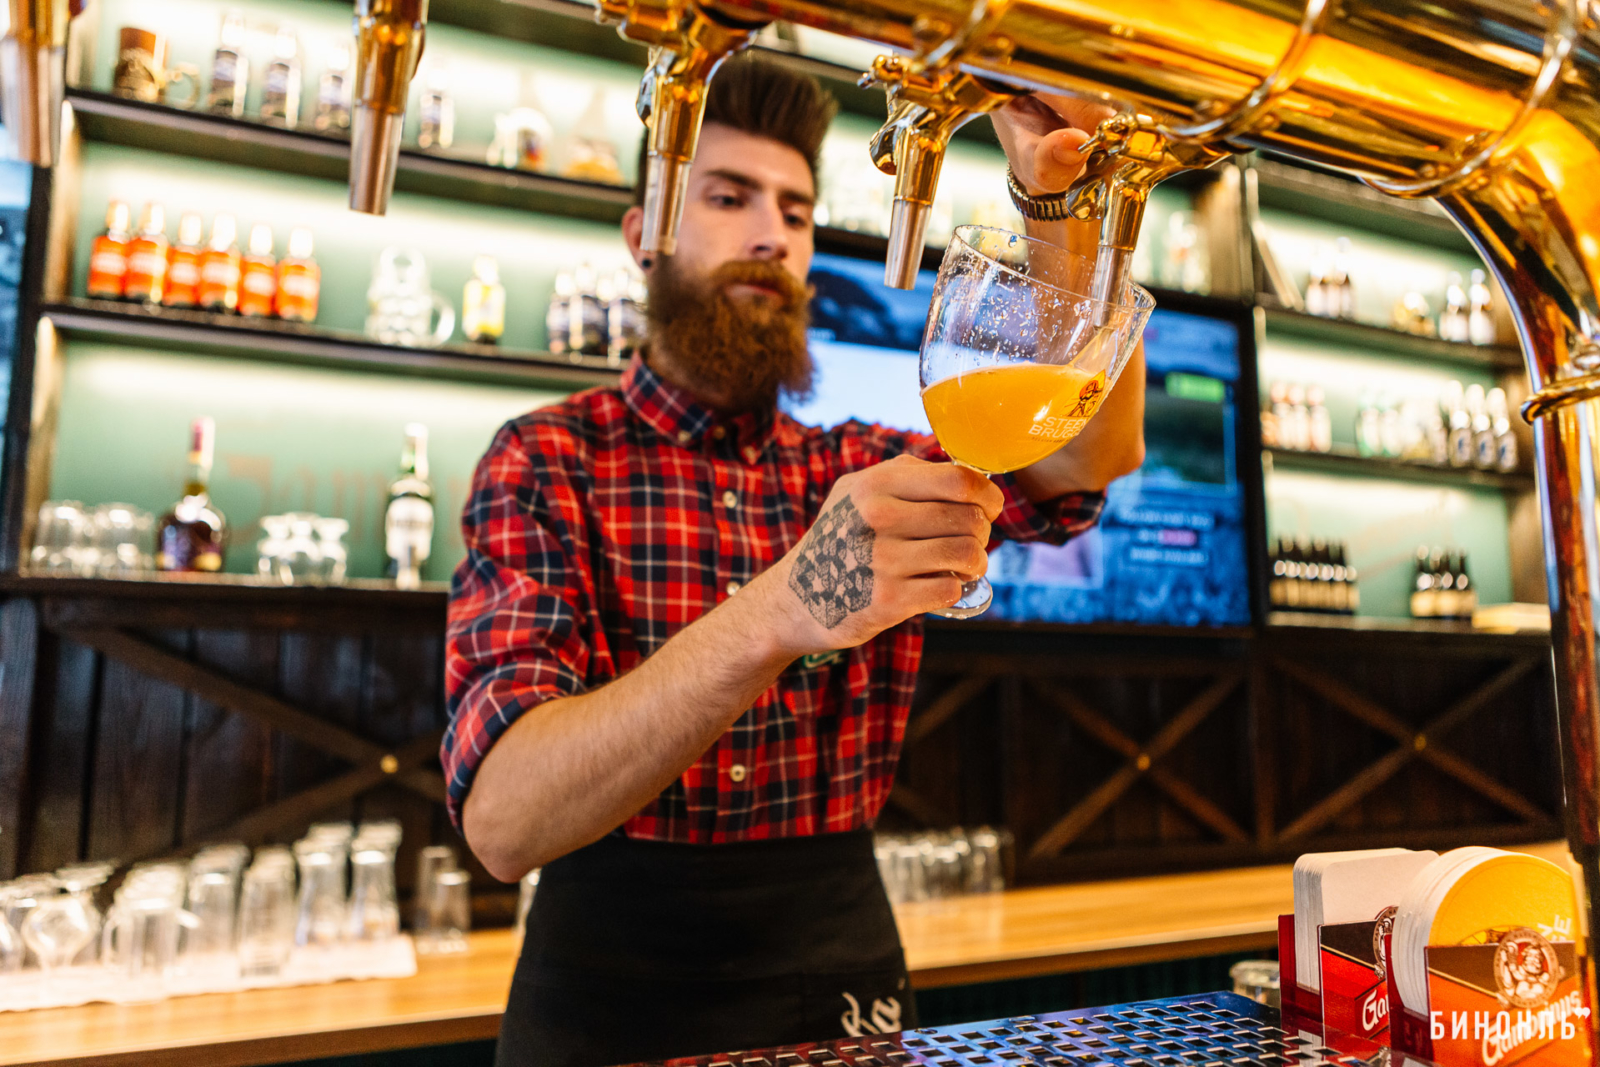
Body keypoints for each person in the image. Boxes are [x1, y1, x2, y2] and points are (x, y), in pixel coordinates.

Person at [444, 56, 1147, 1067]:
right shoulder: (547, 459)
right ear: (644, 235)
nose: (771, 235)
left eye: (796, 211)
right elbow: (504, 822)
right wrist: (782, 609)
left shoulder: (856, 467)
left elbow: (1086, 458)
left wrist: (1058, 202)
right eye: (728, 198)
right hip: (601, 998)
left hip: (837, 973)